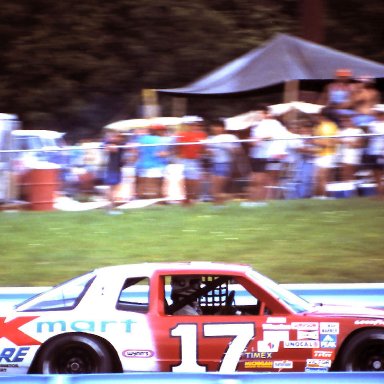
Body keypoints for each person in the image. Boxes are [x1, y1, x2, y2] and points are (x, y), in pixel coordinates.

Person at [244, 106, 291, 206]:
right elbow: (253, 139)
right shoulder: (256, 125)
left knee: (260, 180)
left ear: (266, 113)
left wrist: (259, 138)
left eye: (260, 113)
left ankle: (260, 201)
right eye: (257, 113)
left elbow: (273, 135)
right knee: (253, 180)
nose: (258, 115)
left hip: (264, 155)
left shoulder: (273, 123)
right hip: (255, 154)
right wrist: (252, 141)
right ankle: (251, 201)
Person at [206, 120, 242, 205]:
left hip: (225, 164)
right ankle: (216, 205)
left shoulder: (231, 137)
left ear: (223, 128)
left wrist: (228, 147)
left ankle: (221, 204)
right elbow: (208, 153)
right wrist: (209, 152)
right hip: (214, 164)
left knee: (220, 186)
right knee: (213, 188)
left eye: (218, 126)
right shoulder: (210, 138)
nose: (216, 128)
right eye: (214, 126)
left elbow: (238, 151)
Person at [176, 116, 207, 205]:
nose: (196, 126)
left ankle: (192, 199)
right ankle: (187, 199)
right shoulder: (181, 134)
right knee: (187, 180)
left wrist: (202, 152)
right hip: (185, 160)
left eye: (197, 124)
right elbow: (177, 148)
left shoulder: (201, 134)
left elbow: (203, 149)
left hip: (196, 160)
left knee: (195, 180)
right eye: (194, 124)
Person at [312, 110, 339, 198]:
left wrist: (317, 142)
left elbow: (330, 142)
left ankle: (323, 196)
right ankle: (318, 196)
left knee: (322, 176)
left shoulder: (329, 126)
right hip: (320, 154)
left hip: (327, 154)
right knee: (318, 176)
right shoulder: (319, 126)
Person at [337, 114, 364, 182]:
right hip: (343, 155)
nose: (344, 122)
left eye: (346, 120)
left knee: (350, 176)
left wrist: (345, 142)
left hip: (353, 156)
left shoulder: (358, 131)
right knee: (344, 176)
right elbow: (336, 141)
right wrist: (348, 142)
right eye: (342, 121)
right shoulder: (341, 131)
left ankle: (352, 192)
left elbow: (359, 144)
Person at [103, 130, 126, 213]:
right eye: (117, 136)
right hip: (112, 169)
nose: (119, 138)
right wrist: (109, 143)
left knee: (116, 189)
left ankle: (111, 206)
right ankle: (109, 207)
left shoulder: (122, 144)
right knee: (112, 189)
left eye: (120, 137)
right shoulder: (109, 144)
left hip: (118, 169)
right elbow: (109, 148)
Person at [364, 104, 384, 198]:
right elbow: (368, 138)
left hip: (381, 152)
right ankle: (379, 194)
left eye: (380, 113)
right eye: (377, 113)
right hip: (373, 152)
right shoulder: (372, 124)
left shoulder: (376, 125)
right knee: (376, 175)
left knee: (380, 174)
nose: (378, 114)